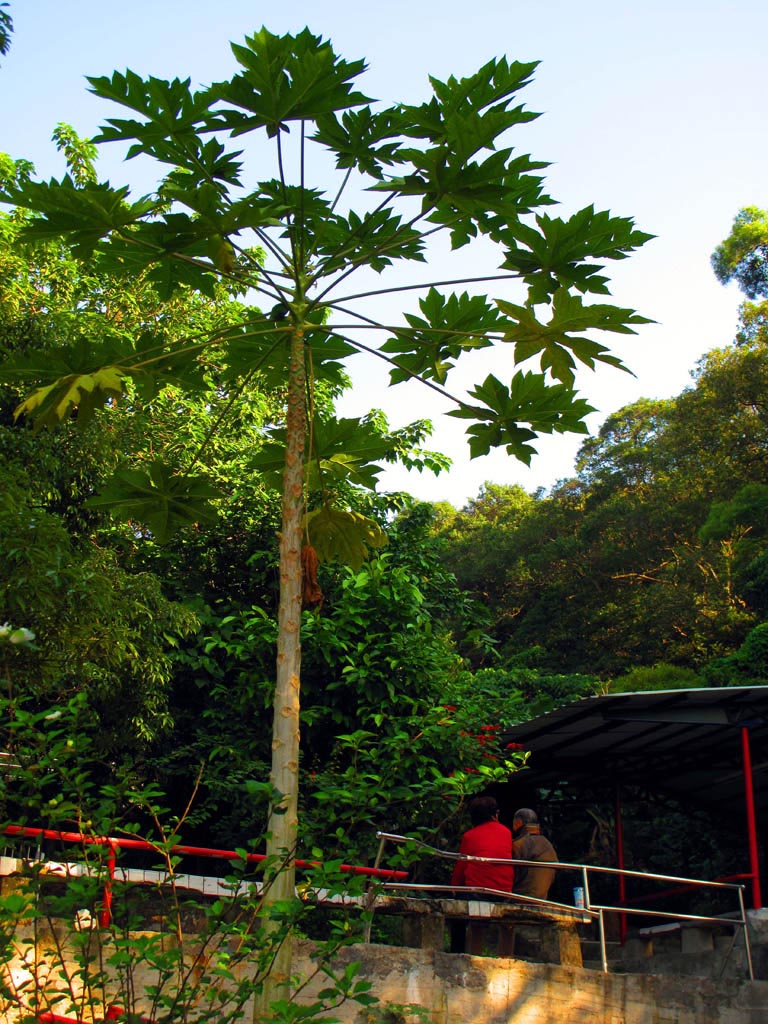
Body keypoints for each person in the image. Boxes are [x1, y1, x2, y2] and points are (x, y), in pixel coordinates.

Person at [451, 795, 514, 893]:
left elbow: (461, 866)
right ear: (495, 814)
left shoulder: (469, 836)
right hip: (504, 890)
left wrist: (454, 887)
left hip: (476, 889)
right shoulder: (506, 832)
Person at [512, 807, 558, 901]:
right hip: (541, 897)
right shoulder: (548, 845)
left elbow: (512, 874)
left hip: (520, 896)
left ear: (518, 823)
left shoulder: (519, 844)